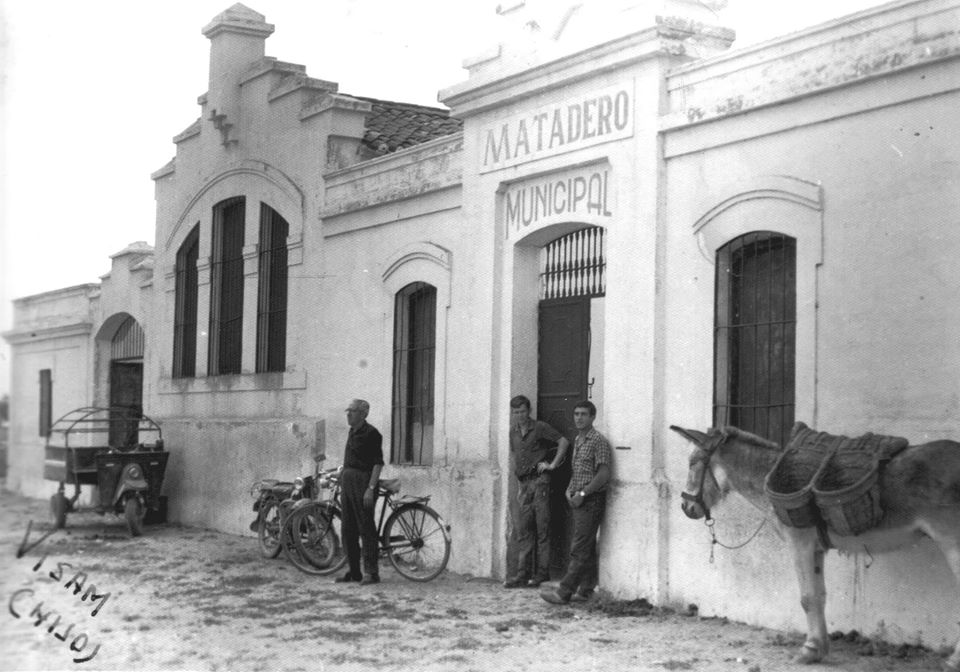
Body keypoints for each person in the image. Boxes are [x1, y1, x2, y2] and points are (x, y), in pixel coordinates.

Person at [541, 399, 611, 604]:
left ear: (593, 417)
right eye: (576, 414)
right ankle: (586, 590)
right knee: (586, 546)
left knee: (579, 547)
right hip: (577, 499)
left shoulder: (598, 441)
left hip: (591, 500)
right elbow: (578, 471)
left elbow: (603, 474)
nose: (579, 418)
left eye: (583, 414)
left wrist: (583, 494)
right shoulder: (579, 440)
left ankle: (564, 592)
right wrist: (569, 491)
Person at [504, 395, 569, 589]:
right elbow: (515, 455)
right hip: (524, 485)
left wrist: (553, 464)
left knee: (542, 528)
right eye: (516, 412)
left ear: (529, 411)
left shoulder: (539, 427)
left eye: (522, 411)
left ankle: (542, 574)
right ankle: (522, 575)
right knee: (525, 530)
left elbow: (563, 441)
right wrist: (518, 483)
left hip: (540, 483)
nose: (520, 415)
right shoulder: (513, 432)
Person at [335, 399, 384, 586]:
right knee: (348, 529)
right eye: (348, 411)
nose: (348, 414)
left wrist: (370, 490)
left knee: (366, 528)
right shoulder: (351, 431)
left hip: (363, 483)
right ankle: (354, 571)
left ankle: (371, 573)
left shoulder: (372, 433)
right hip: (347, 482)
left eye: (353, 411)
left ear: (363, 414)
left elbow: (378, 463)